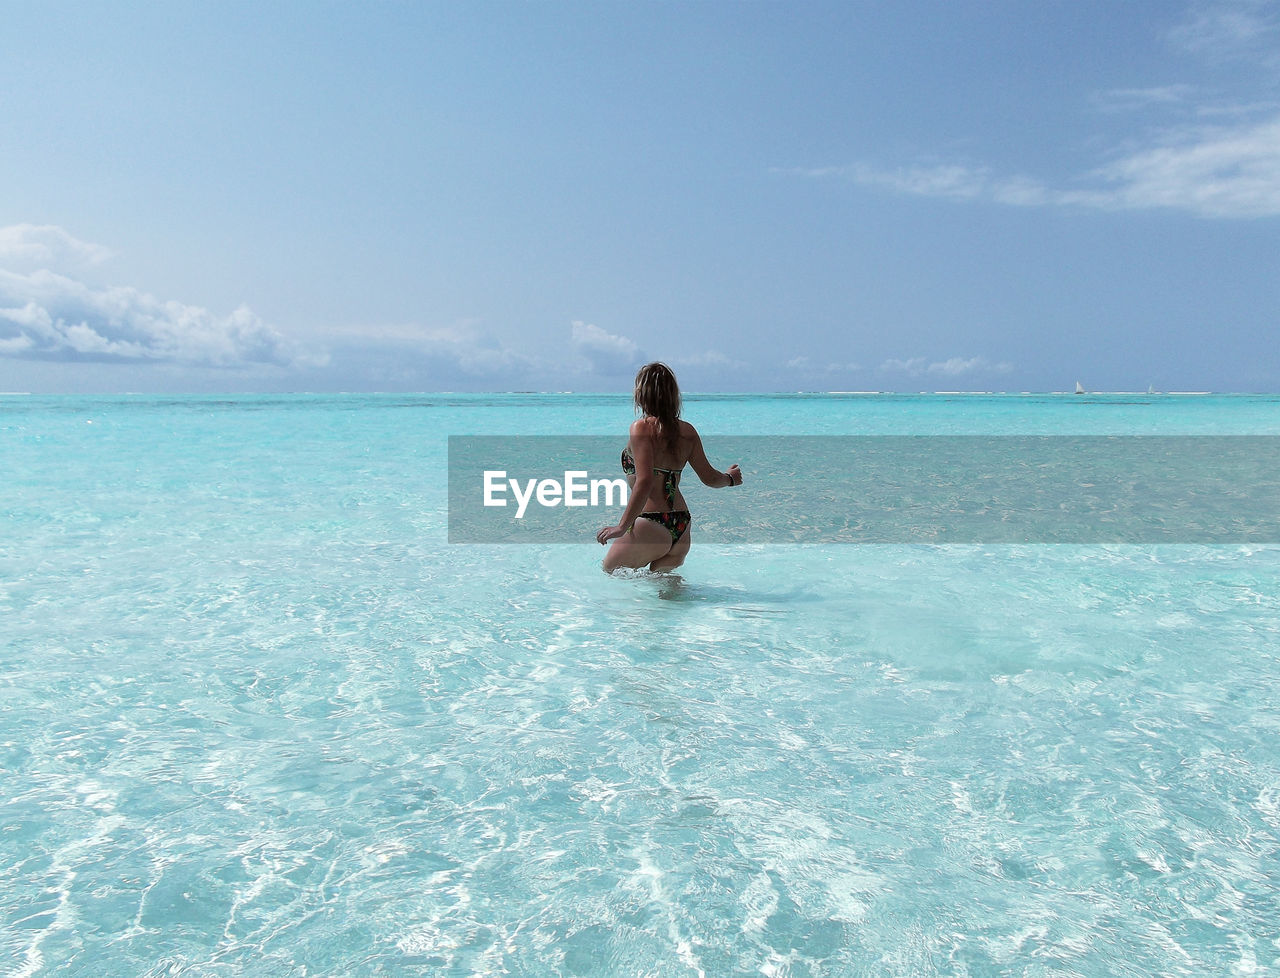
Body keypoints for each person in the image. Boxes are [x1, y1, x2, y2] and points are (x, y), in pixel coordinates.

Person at [596, 362, 742, 573]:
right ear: (673, 394)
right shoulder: (687, 431)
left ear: (641, 394)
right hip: (681, 525)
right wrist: (730, 479)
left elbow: (644, 482)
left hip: (651, 523)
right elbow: (709, 478)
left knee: (609, 575)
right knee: (666, 598)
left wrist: (621, 526)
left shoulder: (642, 428)